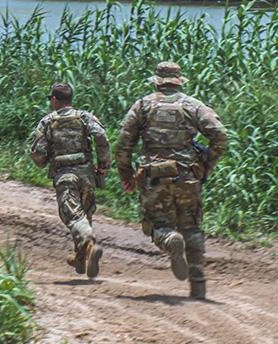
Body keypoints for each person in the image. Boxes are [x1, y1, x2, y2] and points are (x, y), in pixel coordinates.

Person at [114, 62, 227, 300]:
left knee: (155, 223)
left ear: (157, 81)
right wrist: (206, 165)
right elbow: (220, 135)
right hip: (187, 175)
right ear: (178, 81)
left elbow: (123, 144)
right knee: (192, 226)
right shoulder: (193, 105)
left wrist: (126, 175)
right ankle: (198, 285)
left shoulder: (143, 106)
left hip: (153, 176)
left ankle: (169, 239)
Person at [30, 83, 110, 278]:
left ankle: (90, 247)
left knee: (73, 216)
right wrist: (104, 166)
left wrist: (43, 160)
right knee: (85, 214)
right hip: (87, 174)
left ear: (55, 100)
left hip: (65, 175)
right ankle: (81, 258)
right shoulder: (85, 117)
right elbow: (101, 136)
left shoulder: (47, 121)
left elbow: (38, 153)